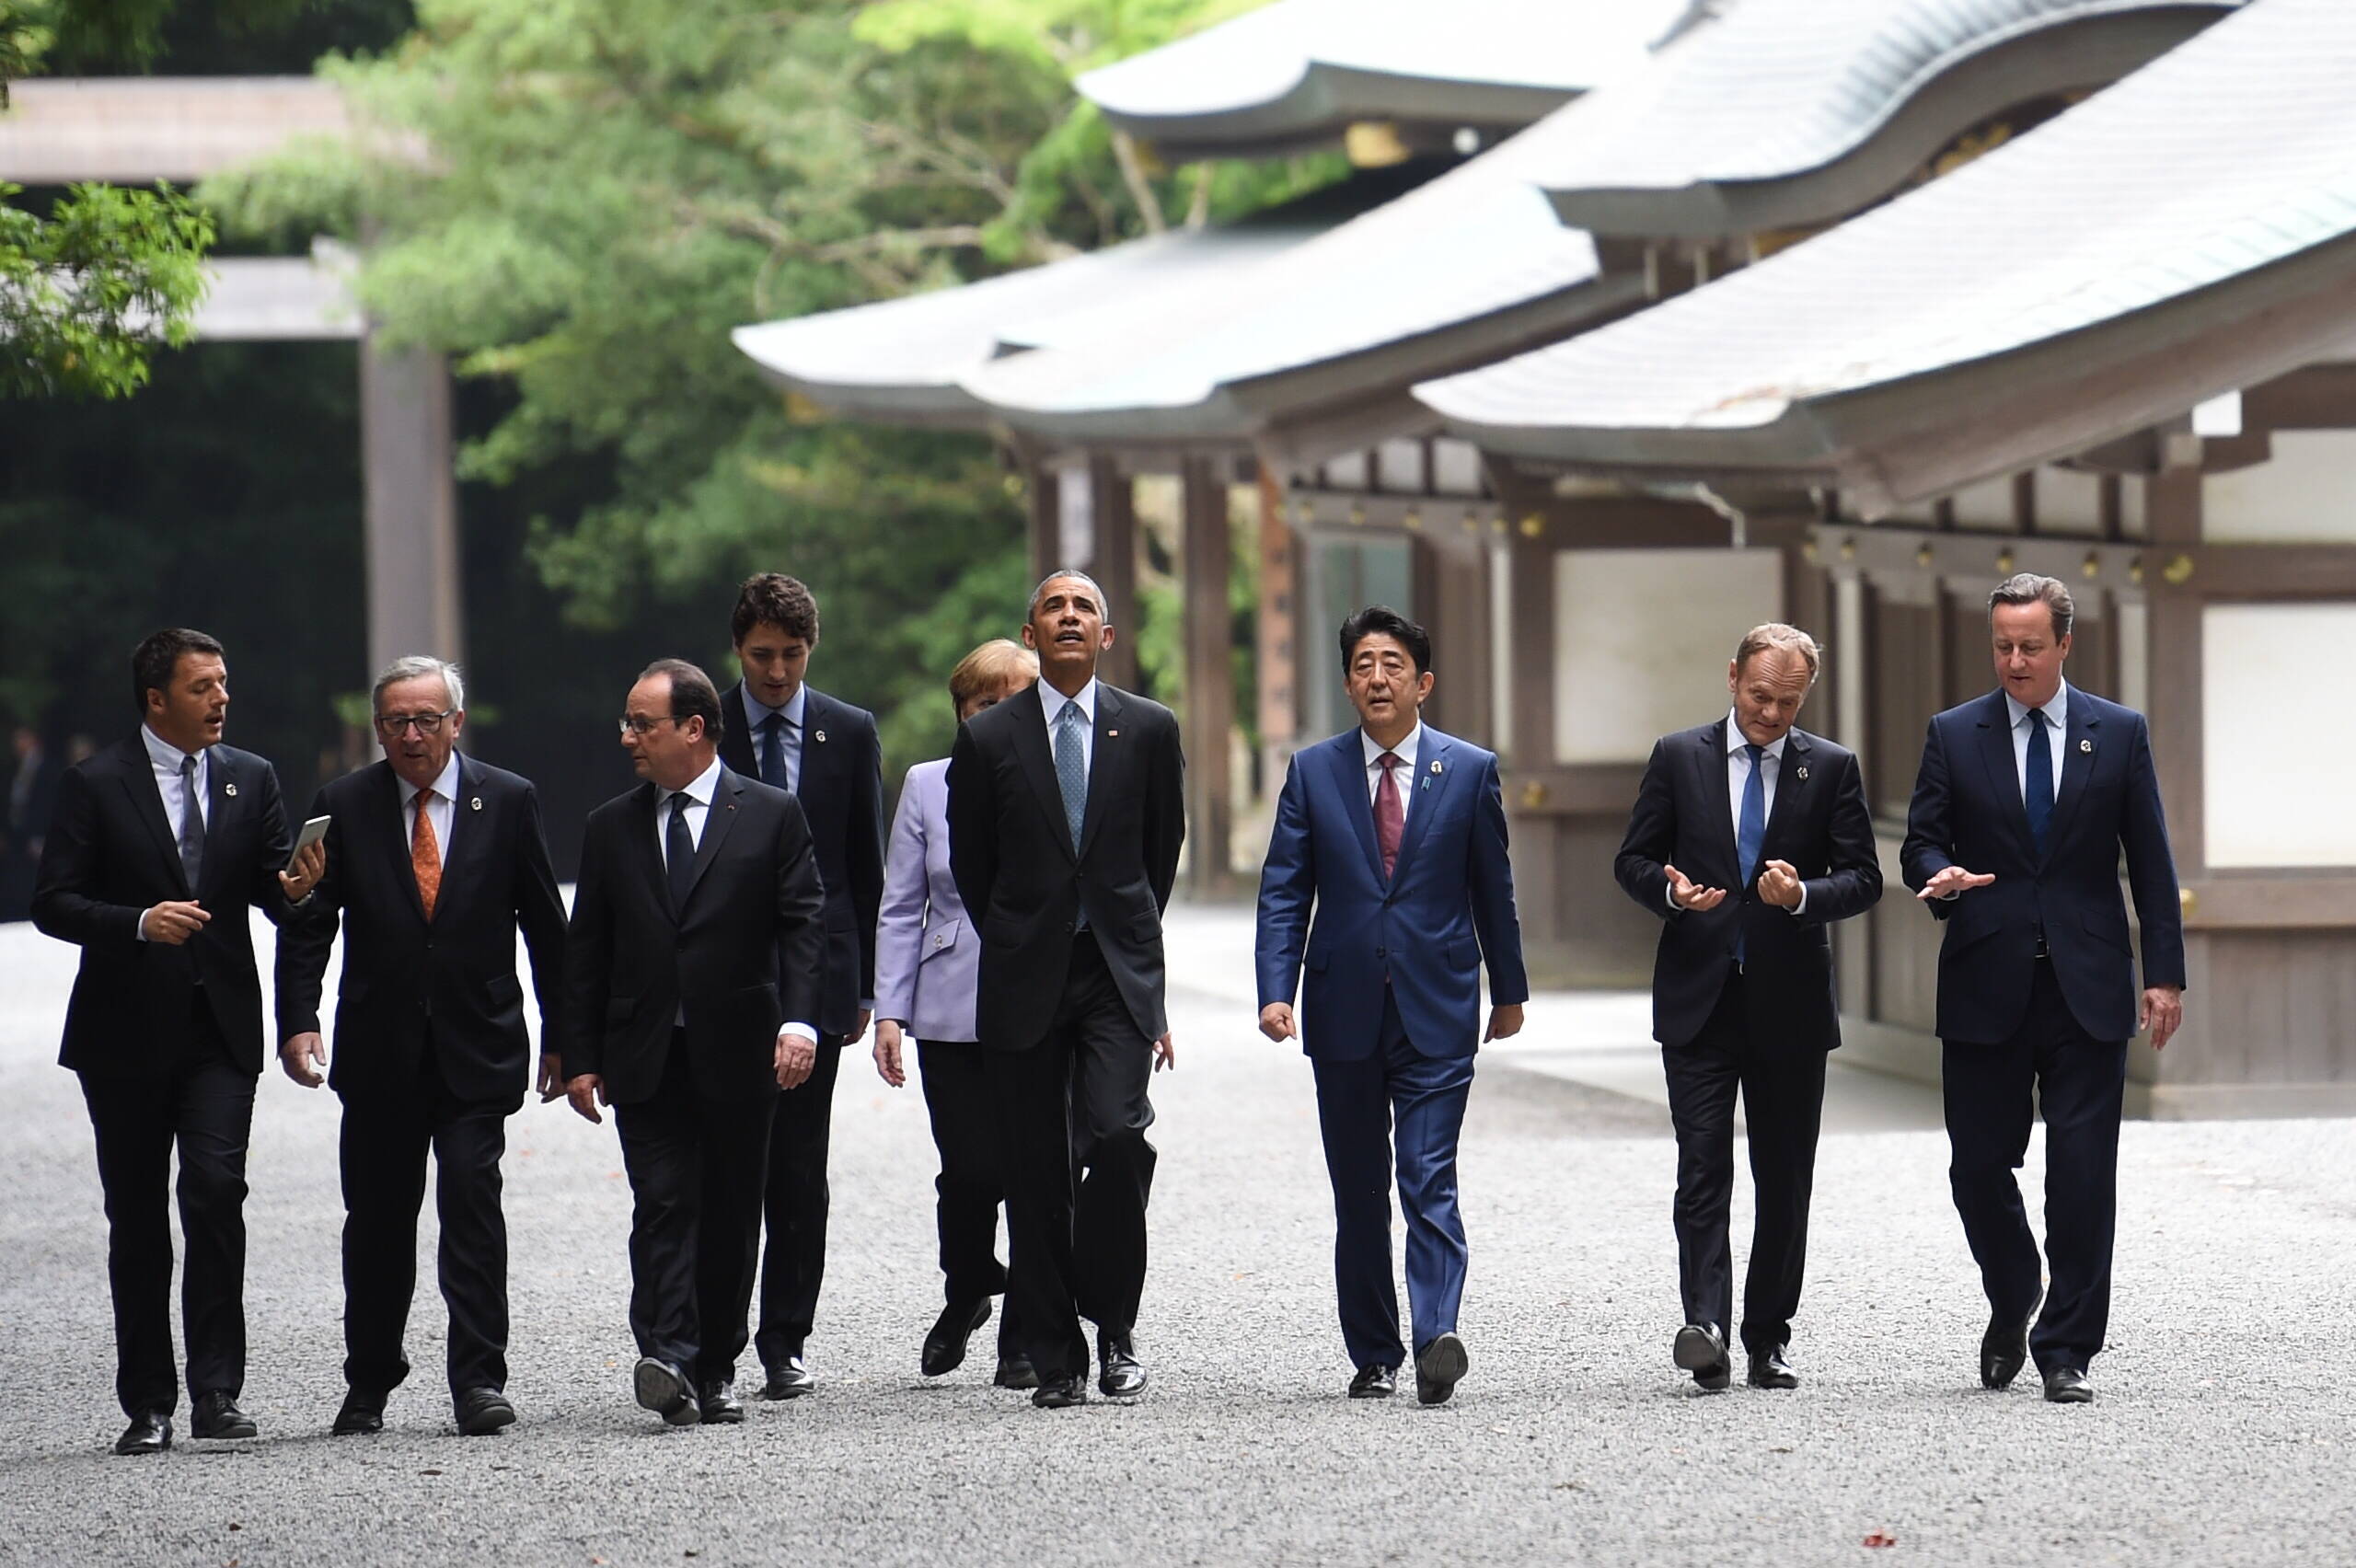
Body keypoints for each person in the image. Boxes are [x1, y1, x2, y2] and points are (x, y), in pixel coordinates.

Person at [31, 628, 324, 1455]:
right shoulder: (94, 783)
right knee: (136, 1218)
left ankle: (216, 1392)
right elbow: (54, 900)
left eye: (224, 683)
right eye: (203, 687)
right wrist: (136, 923)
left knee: (213, 1191)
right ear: (157, 699)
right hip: (122, 1032)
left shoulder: (250, 778)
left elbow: (276, 893)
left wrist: (296, 889)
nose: (221, 698)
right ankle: (147, 1402)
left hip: (220, 1028)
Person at [1901, 573, 2184, 1405]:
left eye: (2030, 645)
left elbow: (2153, 863)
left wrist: (2163, 974)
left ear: (2066, 643)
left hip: (2088, 982)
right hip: (1985, 976)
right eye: (2001, 645)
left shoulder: (2119, 733)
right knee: (1977, 1166)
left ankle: (2067, 1349)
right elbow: (1920, 839)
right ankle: (2014, 1286)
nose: (2014, 660)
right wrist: (1937, 874)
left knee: (2085, 1174)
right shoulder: (1955, 733)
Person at [275, 656, 568, 1437]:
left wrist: (568, 1034)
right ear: (379, 729)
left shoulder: (507, 800)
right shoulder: (343, 805)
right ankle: (368, 1380)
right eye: (397, 722)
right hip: (379, 1052)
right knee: (375, 1222)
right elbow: (310, 922)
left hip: (479, 1045)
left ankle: (478, 1380)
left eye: (427, 720)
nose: (412, 735)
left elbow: (546, 926)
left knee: (472, 1206)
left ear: (456, 723)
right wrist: (298, 1019)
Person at [1254, 606, 1527, 1405]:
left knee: (1427, 1173)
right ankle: (1374, 1352)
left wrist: (1507, 991)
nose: (1378, 677)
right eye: (1364, 665)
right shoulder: (1312, 772)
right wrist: (1277, 990)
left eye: (1393, 664)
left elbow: (1493, 889)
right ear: (1347, 683)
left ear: (1423, 682)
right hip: (1341, 1008)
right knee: (1359, 1188)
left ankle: (1436, 1332)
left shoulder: (1469, 770)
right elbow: (1283, 890)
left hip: (1436, 1004)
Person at [1612, 624, 1882, 1392]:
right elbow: (1632, 858)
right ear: (1732, 677)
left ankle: (1768, 1336)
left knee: (1785, 1176)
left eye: (1788, 702)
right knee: (1702, 1169)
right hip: (1699, 996)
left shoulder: (1830, 768)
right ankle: (1706, 1327)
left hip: (1789, 1002)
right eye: (1760, 695)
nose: (1771, 713)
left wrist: (1803, 896)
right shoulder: (1678, 756)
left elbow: (1863, 877)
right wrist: (1670, 893)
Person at [559, 659, 826, 1427]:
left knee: (734, 1211)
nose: (627, 737)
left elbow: (804, 926)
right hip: (645, 1051)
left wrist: (800, 1022)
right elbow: (589, 950)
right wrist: (579, 1055)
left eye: (642, 724)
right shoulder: (611, 825)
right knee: (663, 1202)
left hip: (741, 1048)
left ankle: (716, 1365)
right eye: (628, 722)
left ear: (695, 730)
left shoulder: (771, 814)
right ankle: (668, 1353)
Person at [946, 570, 1184, 1410]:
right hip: (1024, 971)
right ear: (1033, 632)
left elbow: (1161, 854)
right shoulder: (990, 740)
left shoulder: (1149, 730)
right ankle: (1057, 1355)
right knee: (1035, 1163)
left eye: (1086, 607)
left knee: (1119, 1138)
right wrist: (1020, 928)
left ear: (1107, 636)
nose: (1071, 617)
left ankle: (1114, 1326)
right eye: (1055, 607)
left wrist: (1122, 934)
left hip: (1114, 970)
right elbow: (974, 865)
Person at [713, 573, 884, 1401]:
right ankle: (715, 1333)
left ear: (811, 650)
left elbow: (863, 865)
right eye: (760, 656)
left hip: (818, 970)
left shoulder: (847, 730)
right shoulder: (702, 722)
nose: (776, 672)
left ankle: (785, 1337)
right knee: (727, 1161)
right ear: (737, 651)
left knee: (799, 1165)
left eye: (790, 655)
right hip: (724, 972)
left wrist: (866, 986)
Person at [871, 638, 1039, 1389]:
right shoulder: (927, 785)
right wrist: (888, 1013)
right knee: (970, 1171)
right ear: (961, 714)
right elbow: (902, 904)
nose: (997, 717)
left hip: (1038, 997)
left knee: (1040, 1169)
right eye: (982, 705)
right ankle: (968, 1286)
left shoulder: (1057, 778)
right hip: (951, 1003)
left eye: (1011, 703)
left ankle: (1026, 1329)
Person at [3, 723, 59, 919]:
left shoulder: (49, 769)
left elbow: (49, 805)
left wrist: (43, 835)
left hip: (39, 836)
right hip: (19, 837)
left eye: (22, 739)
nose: (17, 744)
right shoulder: (14, 769)